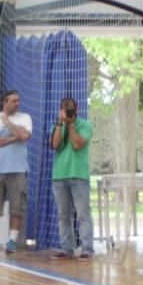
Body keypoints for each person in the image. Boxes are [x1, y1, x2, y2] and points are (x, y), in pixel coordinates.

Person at [0, 90, 32, 254]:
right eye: (14, 101)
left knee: (17, 207)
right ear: (5, 102)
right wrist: (14, 137)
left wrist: (7, 122)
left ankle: (12, 241)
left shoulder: (25, 118)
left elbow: (25, 135)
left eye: (18, 101)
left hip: (18, 169)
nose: (17, 103)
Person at [50, 97, 94, 259]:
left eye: (70, 108)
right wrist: (61, 123)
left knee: (83, 214)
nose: (67, 111)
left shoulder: (85, 125)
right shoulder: (58, 125)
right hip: (60, 175)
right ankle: (67, 248)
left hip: (78, 175)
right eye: (64, 108)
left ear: (77, 109)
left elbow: (77, 144)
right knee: (63, 215)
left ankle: (87, 248)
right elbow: (55, 145)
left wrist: (71, 125)